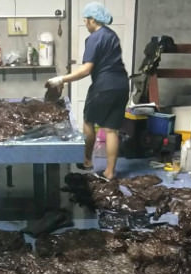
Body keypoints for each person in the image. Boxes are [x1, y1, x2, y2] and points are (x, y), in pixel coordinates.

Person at [45, 2, 129, 181]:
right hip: (121, 85)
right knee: (111, 130)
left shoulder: (94, 38)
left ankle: (86, 160)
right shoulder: (112, 35)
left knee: (89, 122)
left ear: (92, 20)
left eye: (85, 20)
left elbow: (86, 70)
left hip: (104, 86)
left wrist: (61, 79)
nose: (85, 24)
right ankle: (110, 172)